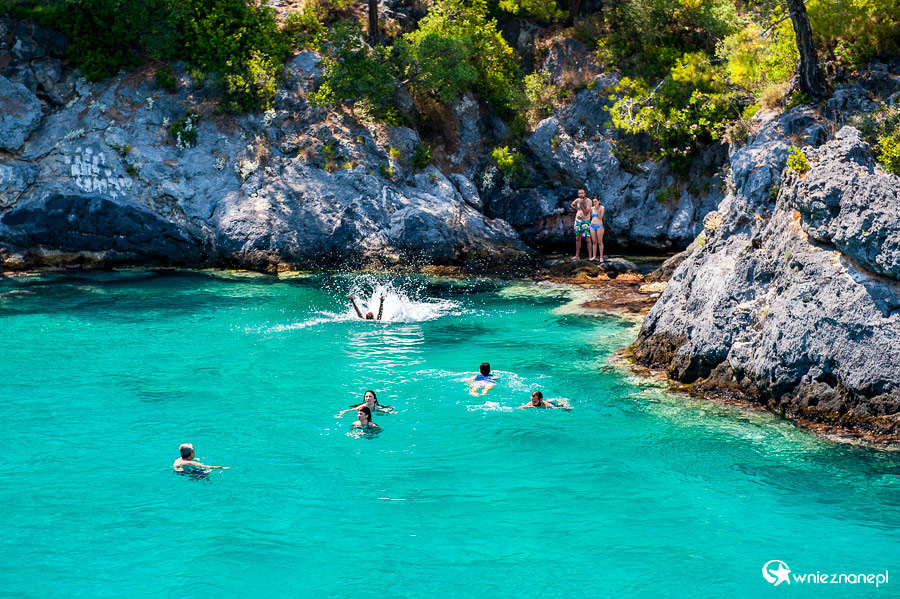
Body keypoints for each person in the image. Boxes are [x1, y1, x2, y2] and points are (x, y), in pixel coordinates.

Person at [570, 189, 591, 259]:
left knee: (587, 239)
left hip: (585, 221)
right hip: (578, 221)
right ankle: (577, 255)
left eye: (582, 193)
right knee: (577, 238)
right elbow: (572, 204)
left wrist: (581, 205)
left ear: (585, 194)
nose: (581, 195)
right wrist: (577, 209)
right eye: (579, 193)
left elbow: (586, 213)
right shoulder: (577, 200)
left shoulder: (589, 201)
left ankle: (590, 256)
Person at [589, 197, 605, 262]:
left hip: (599, 226)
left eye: (596, 201)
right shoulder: (591, 208)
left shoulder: (602, 208)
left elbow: (601, 217)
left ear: (599, 201)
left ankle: (601, 257)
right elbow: (590, 217)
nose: (594, 203)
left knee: (600, 241)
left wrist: (597, 209)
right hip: (592, 225)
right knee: (594, 241)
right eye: (593, 202)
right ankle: (594, 256)